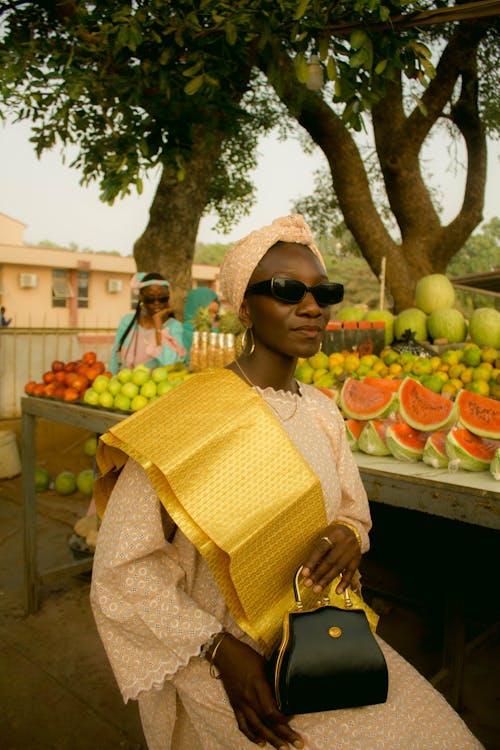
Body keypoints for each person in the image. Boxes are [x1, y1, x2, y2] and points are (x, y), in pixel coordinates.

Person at [90, 215, 483, 750]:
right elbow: (121, 572)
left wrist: (347, 535)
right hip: (231, 668)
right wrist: (219, 650)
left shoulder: (322, 412)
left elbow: (352, 511)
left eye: (324, 292)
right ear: (245, 308)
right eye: (287, 290)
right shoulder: (186, 420)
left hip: (325, 644)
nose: (312, 306)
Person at [109, 272, 186, 375]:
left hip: (158, 389)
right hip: (124, 387)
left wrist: (158, 323)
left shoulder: (175, 327)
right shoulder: (127, 322)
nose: (156, 302)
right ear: (141, 297)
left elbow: (171, 364)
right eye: (150, 298)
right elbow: (115, 359)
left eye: (162, 298)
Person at [182, 287, 220, 354]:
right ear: (196, 308)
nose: (213, 316)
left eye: (215, 312)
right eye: (210, 311)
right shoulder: (180, 333)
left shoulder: (215, 333)